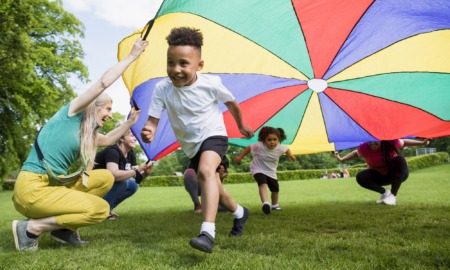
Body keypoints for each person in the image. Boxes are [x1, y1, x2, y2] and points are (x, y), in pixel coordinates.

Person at [11, 38, 148, 251]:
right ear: (94, 107)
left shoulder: (86, 134)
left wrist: (130, 122)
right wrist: (132, 56)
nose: (110, 115)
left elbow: (109, 139)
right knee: (101, 210)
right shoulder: (71, 113)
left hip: (51, 187)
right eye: (108, 109)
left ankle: (63, 231)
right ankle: (31, 228)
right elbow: (103, 83)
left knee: (104, 177)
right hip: (32, 190)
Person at [140, 27, 254, 253]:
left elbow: (232, 103)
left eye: (184, 63)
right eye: (171, 63)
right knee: (215, 188)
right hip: (191, 145)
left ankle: (207, 233)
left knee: (205, 171)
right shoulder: (162, 88)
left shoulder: (210, 84)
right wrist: (148, 129)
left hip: (214, 135)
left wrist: (241, 125)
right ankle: (240, 213)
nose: (176, 69)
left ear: (199, 65)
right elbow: (152, 120)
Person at [334, 138, 430, 205]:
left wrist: (422, 143)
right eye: (369, 141)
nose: (372, 143)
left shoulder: (391, 142)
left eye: (375, 140)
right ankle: (385, 193)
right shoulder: (364, 148)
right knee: (361, 176)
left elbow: (404, 142)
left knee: (400, 160)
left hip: (395, 174)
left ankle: (393, 196)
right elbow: (356, 153)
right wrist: (341, 159)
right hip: (379, 177)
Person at [235, 127, 296, 215]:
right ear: (264, 140)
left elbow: (287, 150)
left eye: (275, 139)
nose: (272, 142)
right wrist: (240, 157)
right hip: (257, 169)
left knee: (275, 189)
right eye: (269, 140)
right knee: (263, 184)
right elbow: (248, 148)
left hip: (271, 171)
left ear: (279, 139)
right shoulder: (259, 145)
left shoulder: (281, 147)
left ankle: (274, 205)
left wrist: (291, 156)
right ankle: (265, 203)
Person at [94, 128, 153, 219]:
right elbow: (113, 175)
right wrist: (136, 170)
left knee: (133, 185)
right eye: (132, 136)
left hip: (106, 185)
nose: (135, 139)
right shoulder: (112, 151)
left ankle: (108, 209)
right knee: (122, 181)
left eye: (136, 136)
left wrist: (145, 173)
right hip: (93, 184)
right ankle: (101, 211)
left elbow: (136, 179)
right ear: (121, 138)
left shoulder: (130, 153)